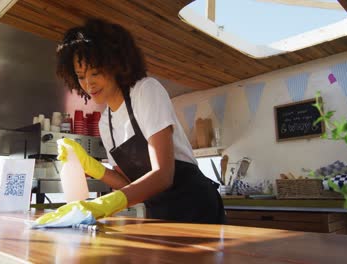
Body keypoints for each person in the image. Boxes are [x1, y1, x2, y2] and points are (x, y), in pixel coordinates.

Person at [35, 19, 225, 225]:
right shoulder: (105, 123)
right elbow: (128, 183)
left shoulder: (145, 91)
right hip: (160, 214)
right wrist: (91, 166)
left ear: (115, 64)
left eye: (95, 72)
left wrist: (102, 206)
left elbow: (163, 176)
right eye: (81, 76)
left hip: (196, 205)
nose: (88, 83)